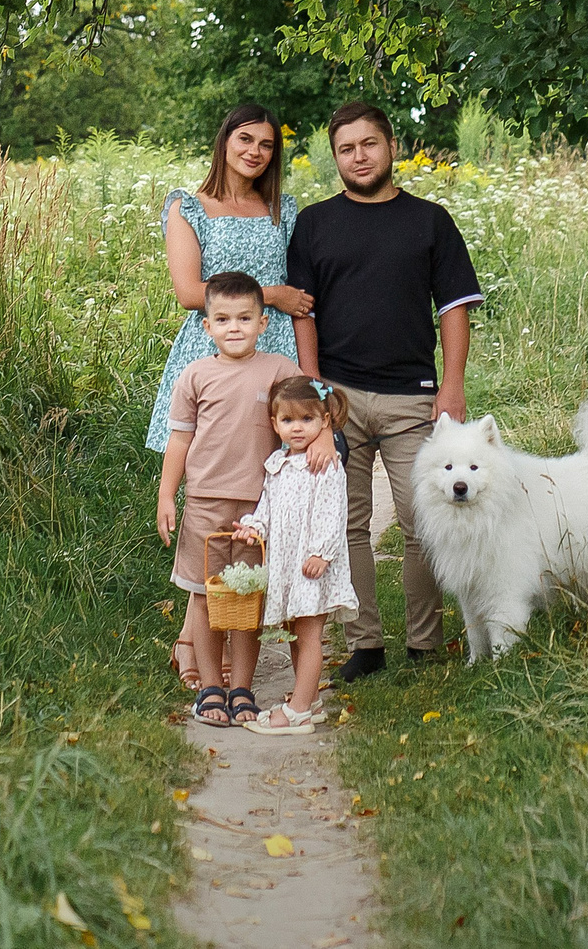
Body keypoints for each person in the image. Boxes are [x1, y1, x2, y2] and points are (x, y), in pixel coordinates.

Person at [288, 100, 484, 681]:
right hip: (339, 396)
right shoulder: (316, 223)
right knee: (345, 523)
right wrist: (312, 388)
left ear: (390, 146)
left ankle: (425, 642)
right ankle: (365, 643)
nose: (359, 157)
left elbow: (454, 308)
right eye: (346, 149)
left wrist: (451, 385)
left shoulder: (429, 221)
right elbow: (304, 311)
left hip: (412, 396)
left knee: (422, 520)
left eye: (368, 144)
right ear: (336, 158)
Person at [148, 102, 325, 688]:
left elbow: (305, 298)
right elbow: (186, 290)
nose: (255, 151)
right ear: (224, 140)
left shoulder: (283, 210)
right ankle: (192, 641)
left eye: (267, 145)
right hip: (214, 351)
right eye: (245, 139)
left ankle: (231, 632)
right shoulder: (188, 206)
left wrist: (311, 379)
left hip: (272, 365)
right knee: (209, 486)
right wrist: (267, 295)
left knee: (261, 490)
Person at [155, 272, 306, 727]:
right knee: (204, 596)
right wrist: (167, 495)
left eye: (245, 318)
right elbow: (179, 441)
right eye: (222, 319)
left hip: (259, 507)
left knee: (246, 597)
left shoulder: (279, 369)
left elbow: (315, 405)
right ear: (206, 327)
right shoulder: (195, 375)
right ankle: (210, 689)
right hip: (203, 503)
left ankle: (242, 687)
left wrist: (319, 442)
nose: (234, 327)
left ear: (263, 322)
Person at [231, 376, 360, 733]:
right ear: (275, 424)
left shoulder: (325, 464)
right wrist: (255, 527)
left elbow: (333, 513)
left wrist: (322, 553)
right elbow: (267, 509)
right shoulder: (277, 465)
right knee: (293, 630)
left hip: (312, 563)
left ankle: (299, 710)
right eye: (288, 421)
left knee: (308, 635)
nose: (297, 428)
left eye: (307, 420)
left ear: (324, 421)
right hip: (285, 564)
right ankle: (310, 699)